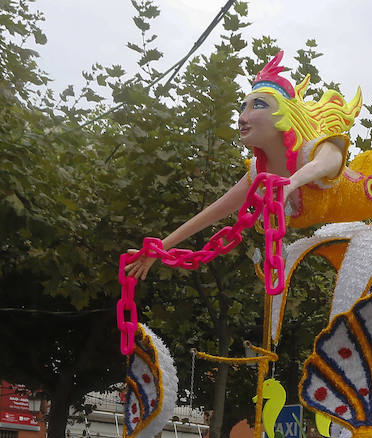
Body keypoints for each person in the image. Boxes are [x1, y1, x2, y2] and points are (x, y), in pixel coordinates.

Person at [125, 53, 359, 283]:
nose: (242, 117)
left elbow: (330, 161)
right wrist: (160, 248)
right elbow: (215, 211)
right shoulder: (260, 172)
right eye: (243, 107)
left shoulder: (313, 150)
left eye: (257, 105)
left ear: (284, 115)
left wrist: (292, 183)